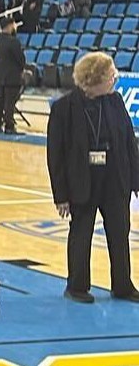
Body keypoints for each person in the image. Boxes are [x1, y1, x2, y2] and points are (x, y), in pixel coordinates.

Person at [46, 52, 139, 304]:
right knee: (81, 233)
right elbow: (56, 155)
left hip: (114, 179)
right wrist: (61, 196)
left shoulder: (116, 101)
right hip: (82, 180)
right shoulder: (63, 109)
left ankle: (122, 285)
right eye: (111, 76)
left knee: (120, 233)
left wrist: (135, 179)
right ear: (94, 80)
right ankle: (77, 286)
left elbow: (129, 142)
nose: (115, 80)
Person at [0, 16, 26, 135]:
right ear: (10, 26)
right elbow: (21, 59)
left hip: (1, 75)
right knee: (9, 103)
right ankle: (9, 126)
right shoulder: (13, 42)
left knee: (0, 101)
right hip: (12, 76)